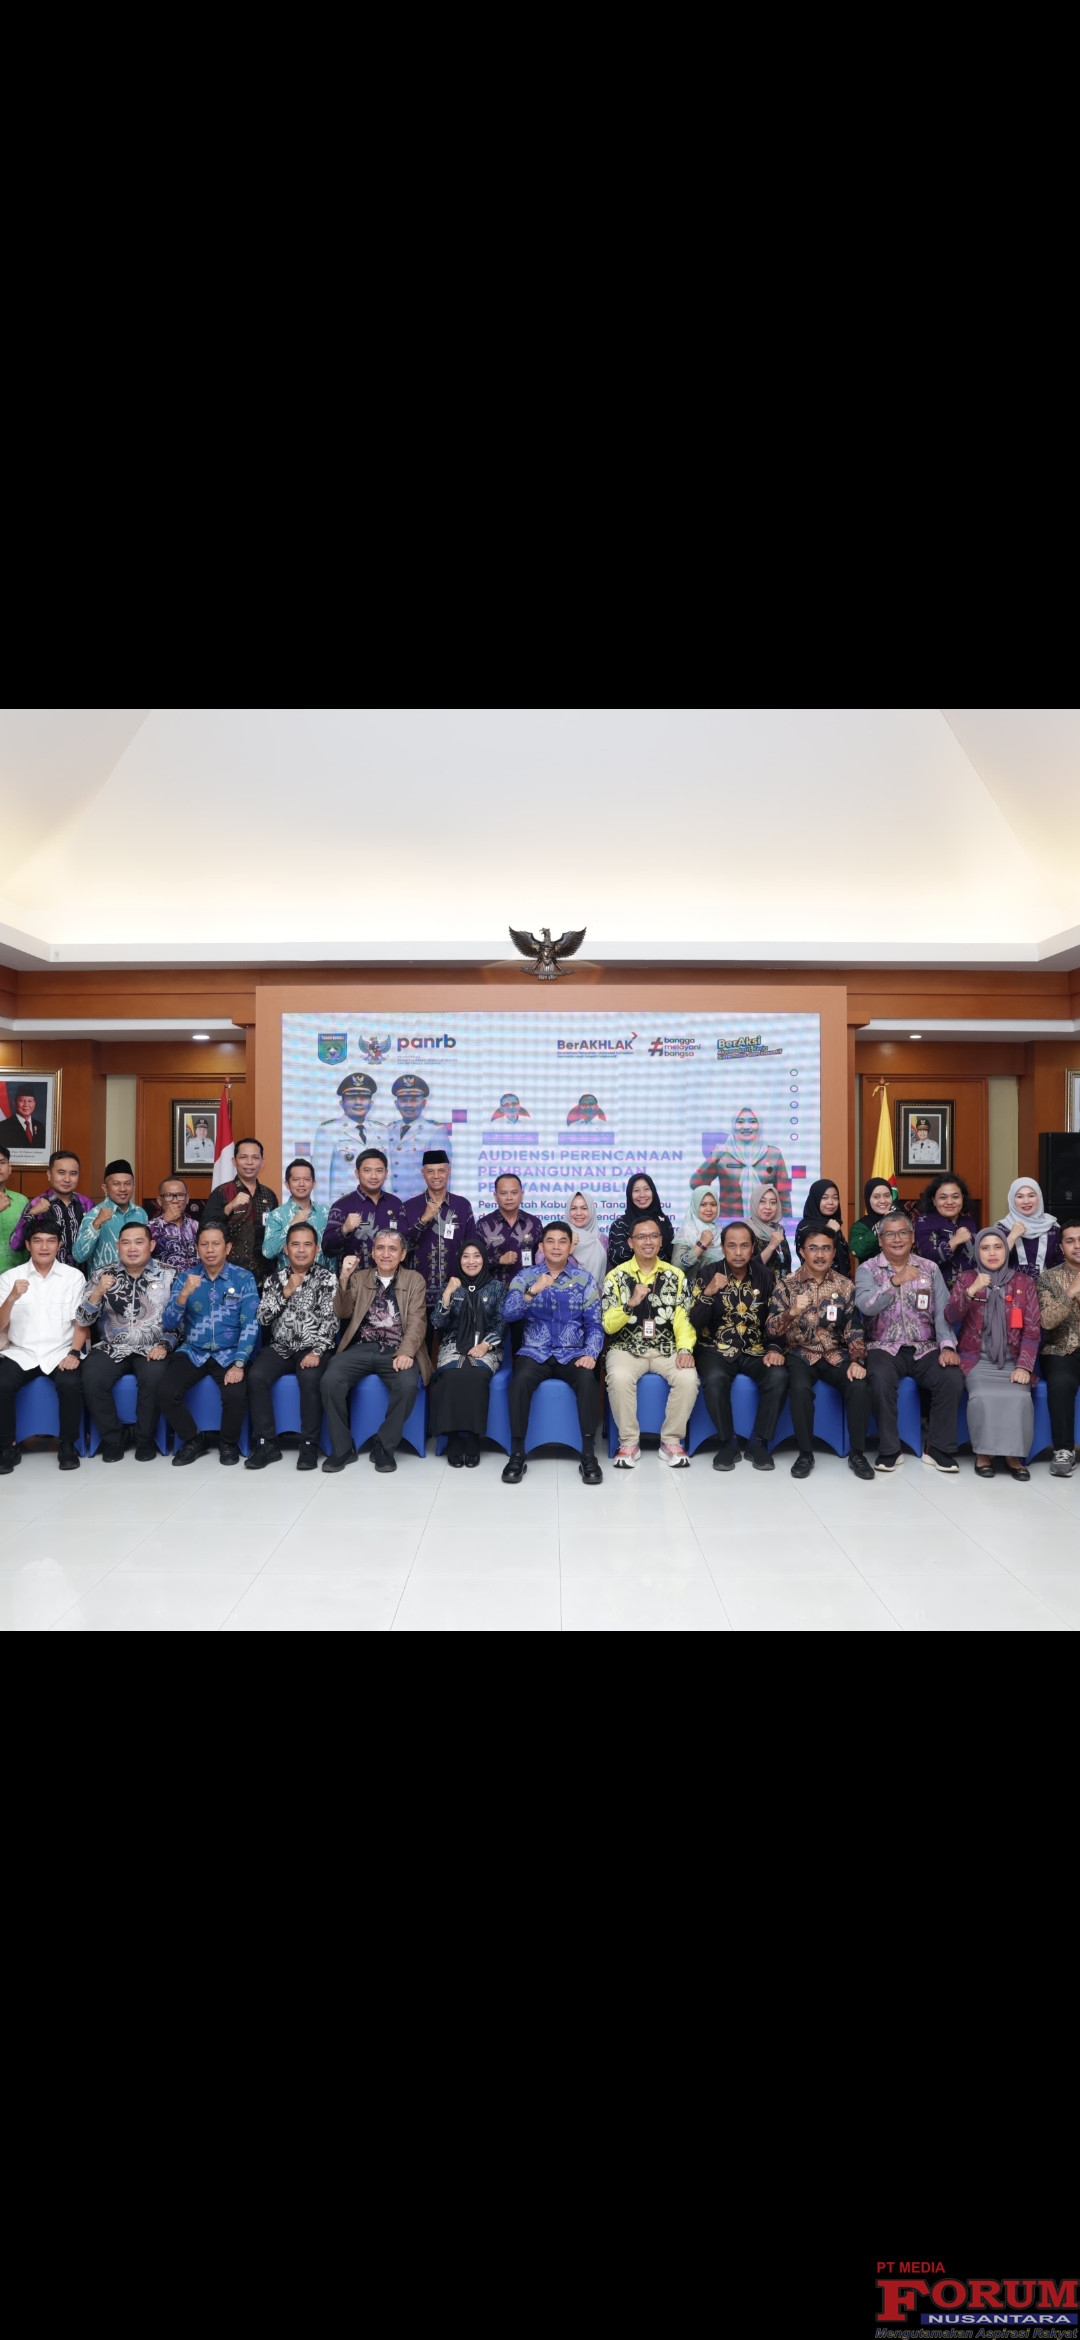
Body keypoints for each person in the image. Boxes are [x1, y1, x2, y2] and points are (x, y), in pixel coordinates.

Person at [854, 1211, 963, 1473]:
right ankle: (890, 1450)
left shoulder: (930, 1268)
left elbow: (942, 1311)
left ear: (912, 1237)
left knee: (951, 1377)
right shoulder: (867, 1269)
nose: (897, 1239)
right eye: (890, 1234)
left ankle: (938, 1448)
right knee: (880, 1379)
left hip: (925, 1346)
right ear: (880, 1240)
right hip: (883, 1346)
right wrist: (893, 1282)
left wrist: (947, 1346)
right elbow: (866, 1306)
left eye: (903, 1232)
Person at [500, 1221, 604, 1484]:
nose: (556, 1247)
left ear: (570, 1247)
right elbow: (508, 1314)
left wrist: (591, 1353)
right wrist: (532, 1292)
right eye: (550, 1241)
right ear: (541, 1246)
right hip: (534, 1351)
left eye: (562, 1241)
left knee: (587, 1381)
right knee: (520, 1382)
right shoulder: (525, 1277)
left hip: (573, 1352)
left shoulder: (584, 1280)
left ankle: (588, 1454)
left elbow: (595, 1324)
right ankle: (517, 1453)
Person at [765, 1230, 873, 1479]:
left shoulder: (845, 1285)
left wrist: (857, 1360)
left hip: (836, 1353)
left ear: (834, 1253)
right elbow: (771, 1330)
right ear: (802, 1252)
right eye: (813, 1248)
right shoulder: (787, 1284)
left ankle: (857, 1454)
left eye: (826, 1248)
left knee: (859, 1385)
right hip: (800, 1353)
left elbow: (854, 1328)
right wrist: (791, 1312)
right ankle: (805, 1454)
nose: (820, 1254)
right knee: (800, 1389)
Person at [321, 1229, 430, 1474]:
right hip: (361, 1347)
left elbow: (417, 1321)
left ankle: (384, 1445)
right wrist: (344, 1279)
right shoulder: (360, 1278)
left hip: (397, 1348)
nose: (386, 1254)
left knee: (407, 1384)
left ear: (402, 1254)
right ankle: (342, 1448)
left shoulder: (414, 1280)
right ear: (372, 1252)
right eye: (380, 1248)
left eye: (392, 1249)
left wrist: (406, 1352)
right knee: (330, 1379)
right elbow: (343, 1312)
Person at [687, 1221, 789, 1472]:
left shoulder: (766, 1276)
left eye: (744, 1246)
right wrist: (708, 1293)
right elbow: (695, 1322)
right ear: (722, 1248)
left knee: (778, 1376)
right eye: (732, 1246)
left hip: (755, 1348)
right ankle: (728, 1442)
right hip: (715, 1348)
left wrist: (775, 1348)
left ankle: (758, 1442)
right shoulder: (708, 1273)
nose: (738, 1252)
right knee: (714, 1378)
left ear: (753, 1248)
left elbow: (777, 1317)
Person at [159, 1222, 259, 1465]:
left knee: (235, 1395)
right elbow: (169, 1323)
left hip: (230, 1353)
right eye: (204, 1244)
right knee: (164, 1392)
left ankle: (228, 1443)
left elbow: (250, 1324)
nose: (210, 1249)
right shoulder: (186, 1278)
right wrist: (183, 1295)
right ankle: (194, 1439)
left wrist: (239, 1363)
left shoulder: (243, 1278)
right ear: (197, 1248)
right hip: (193, 1351)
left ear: (228, 1247)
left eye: (216, 1244)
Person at [602, 1216, 698, 1467]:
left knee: (688, 1378)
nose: (648, 1242)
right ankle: (629, 1443)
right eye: (641, 1237)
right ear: (631, 1242)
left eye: (653, 1236)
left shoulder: (676, 1275)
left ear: (661, 1241)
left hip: (666, 1347)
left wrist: (685, 1349)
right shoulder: (616, 1276)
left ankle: (671, 1442)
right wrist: (630, 1304)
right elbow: (608, 1325)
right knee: (619, 1377)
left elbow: (683, 1319)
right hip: (625, 1347)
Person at [945, 1228, 1040, 1480]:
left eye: (997, 1247)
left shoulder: (1024, 1283)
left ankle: (1013, 1457)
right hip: (977, 1360)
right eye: (985, 1248)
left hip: (1013, 1361)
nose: (992, 1253)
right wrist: (971, 1291)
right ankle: (983, 1454)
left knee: (1020, 1398)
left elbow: (1032, 1331)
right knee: (983, 1396)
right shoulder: (966, 1278)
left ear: (1006, 1249)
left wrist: (1024, 1366)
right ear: (977, 1252)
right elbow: (951, 1316)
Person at [77, 1222, 177, 1460]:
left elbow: (181, 1319)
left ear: (151, 1245)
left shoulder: (169, 1274)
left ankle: (145, 1440)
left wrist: (164, 1345)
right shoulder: (101, 1275)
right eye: (126, 1242)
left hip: (152, 1347)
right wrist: (97, 1292)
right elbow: (82, 1319)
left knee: (154, 1378)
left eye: (139, 1242)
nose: (132, 1248)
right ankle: (114, 1439)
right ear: (118, 1246)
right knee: (91, 1376)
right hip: (111, 1347)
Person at [245, 1220, 340, 1471]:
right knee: (256, 1376)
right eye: (295, 1244)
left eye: (307, 1244)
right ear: (286, 1249)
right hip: (280, 1347)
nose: (301, 1250)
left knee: (310, 1379)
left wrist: (317, 1351)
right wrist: (286, 1292)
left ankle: (309, 1444)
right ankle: (267, 1444)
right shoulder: (275, 1279)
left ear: (316, 1249)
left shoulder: (328, 1279)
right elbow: (263, 1318)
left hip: (312, 1347)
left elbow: (331, 1322)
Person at [0, 1221, 89, 1471]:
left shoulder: (73, 1277)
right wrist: (12, 1298)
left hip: (60, 1351)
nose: (44, 1247)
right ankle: (8, 1446)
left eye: (51, 1241)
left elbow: (81, 1322)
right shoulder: (9, 1278)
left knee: (71, 1384)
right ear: (28, 1245)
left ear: (59, 1245)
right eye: (38, 1241)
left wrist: (74, 1353)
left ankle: (67, 1445)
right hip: (21, 1352)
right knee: (1, 1384)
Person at [429, 1238, 505, 1466]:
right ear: (459, 1260)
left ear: (484, 1259)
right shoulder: (451, 1285)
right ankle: (453, 1438)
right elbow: (437, 1323)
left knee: (476, 1375)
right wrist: (447, 1295)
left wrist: (485, 1345)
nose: (471, 1261)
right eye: (466, 1256)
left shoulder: (496, 1288)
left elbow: (502, 1322)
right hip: (452, 1345)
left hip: (487, 1346)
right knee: (451, 1375)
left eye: (476, 1256)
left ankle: (472, 1438)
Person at [400, 1150, 475, 1318]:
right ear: (423, 1173)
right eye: (430, 1171)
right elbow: (401, 1247)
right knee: (419, 1335)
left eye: (441, 1170)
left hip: (456, 1291)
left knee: (453, 1335)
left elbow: (472, 1246)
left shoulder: (462, 1205)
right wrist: (423, 1220)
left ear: (449, 1171)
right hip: (417, 1294)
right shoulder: (409, 1207)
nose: (436, 1176)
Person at [202, 1137, 279, 1290]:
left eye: (255, 1157)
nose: (249, 1162)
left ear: (262, 1162)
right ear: (234, 1161)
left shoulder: (269, 1195)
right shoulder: (222, 1192)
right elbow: (205, 1229)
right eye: (243, 1157)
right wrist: (229, 1207)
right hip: (229, 1274)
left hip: (265, 1275)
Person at [690, 1107, 792, 1219]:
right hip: (728, 1223)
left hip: (763, 1223)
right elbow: (695, 1184)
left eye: (752, 1122)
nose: (746, 1126)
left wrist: (787, 1225)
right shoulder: (723, 1153)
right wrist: (713, 1158)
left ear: (760, 1125)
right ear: (733, 1125)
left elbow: (784, 1197)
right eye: (740, 1122)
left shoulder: (774, 1154)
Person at [1037, 1217, 1080, 1476]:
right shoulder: (1047, 1279)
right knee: (1062, 1383)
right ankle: (1064, 1450)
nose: (1077, 1246)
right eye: (1070, 1241)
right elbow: (1047, 1321)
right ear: (1061, 1247)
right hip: (1060, 1350)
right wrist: (1071, 1292)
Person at [312, 1073, 392, 1206]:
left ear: (371, 1103)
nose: (358, 1102)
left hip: (376, 1205)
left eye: (364, 1098)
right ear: (342, 1103)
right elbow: (321, 1179)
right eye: (352, 1098)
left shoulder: (381, 1130)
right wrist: (325, 1213)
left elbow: (387, 1177)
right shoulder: (328, 1130)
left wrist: (388, 1206)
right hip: (343, 1206)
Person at [322, 1148, 405, 1270]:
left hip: (391, 1279)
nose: (374, 1176)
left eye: (379, 1171)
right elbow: (327, 1250)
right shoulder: (342, 1206)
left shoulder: (395, 1204)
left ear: (386, 1173)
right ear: (357, 1173)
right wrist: (344, 1229)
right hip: (353, 1279)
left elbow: (405, 1244)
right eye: (367, 1170)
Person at [9, 1151, 93, 1267]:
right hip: (45, 1274)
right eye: (61, 1173)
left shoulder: (86, 1204)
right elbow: (14, 1244)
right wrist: (32, 1214)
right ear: (49, 1174)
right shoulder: (36, 1204)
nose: (67, 1179)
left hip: (81, 1275)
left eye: (73, 1174)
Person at [72, 1160, 148, 1278]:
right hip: (104, 1286)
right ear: (105, 1188)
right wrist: (96, 1224)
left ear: (134, 1186)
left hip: (137, 1283)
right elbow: (79, 1256)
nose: (123, 1189)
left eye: (127, 1184)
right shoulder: (94, 1215)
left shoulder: (141, 1214)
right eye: (116, 1184)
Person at [383, 1073, 453, 1202]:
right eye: (404, 1100)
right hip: (389, 1204)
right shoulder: (387, 1130)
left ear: (424, 1103)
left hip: (421, 1205)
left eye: (414, 1100)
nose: (409, 1105)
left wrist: (438, 1207)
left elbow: (442, 1176)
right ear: (396, 1104)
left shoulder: (435, 1131)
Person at [474, 1174, 544, 1288]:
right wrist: (498, 1260)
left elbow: (542, 1261)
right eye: (503, 1193)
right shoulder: (483, 1225)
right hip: (492, 1293)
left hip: (527, 1292)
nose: (509, 1198)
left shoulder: (534, 1224)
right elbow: (473, 1262)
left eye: (514, 1193)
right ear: (495, 1196)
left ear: (522, 1195)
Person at [914, 1173, 978, 1288]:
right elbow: (928, 1259)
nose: (949, 1202)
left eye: (955, 1197)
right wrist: (956, 1240)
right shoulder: (925, 1221)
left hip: (969, 1289)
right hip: (936, 1290)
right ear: (934, 1200)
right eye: (943, 1197)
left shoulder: (968, 1221)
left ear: (962, 1198)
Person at [261, 1159, 330, 1264]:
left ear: (314, 1184)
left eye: (306, 1179)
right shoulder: (276, 1215)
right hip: (289, 1274)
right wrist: (292, 1225)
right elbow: (268, 1252)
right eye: (296, 1179)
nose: (301, 1184)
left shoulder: (326, 1213)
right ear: (287, 1184)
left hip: (322, 1274)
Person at [606, 1173, 675, 1271]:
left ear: (653, 1191)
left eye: (646, 1189)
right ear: (630, 1194)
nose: (642, 1195)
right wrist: (635, 1241)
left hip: (662, 1277)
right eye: (636, 1190)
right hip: (630, 1278)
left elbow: (672, 1256)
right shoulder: (620, 1224)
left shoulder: (663, 1221)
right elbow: (614, 1259)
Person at [995, 1178, 1063, 1278]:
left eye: (1031, 1195)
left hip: (1049, 1286)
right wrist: (1012, 1237)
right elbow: (993, 1263)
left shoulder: (1053, 1227)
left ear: (1039, 1197)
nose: (1026, 1201)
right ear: (1012, 1199)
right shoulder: (1001, 1228)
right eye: (1020, 1196)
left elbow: (1063, 1263)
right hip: (1011, 1286)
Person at [794, 1180, 852, 1278]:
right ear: (815, 1199)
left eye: (835, 1198)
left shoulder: (834, 1224)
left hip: (842, 1284)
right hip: (815, 1284)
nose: (831, 1202)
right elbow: (811, 1261)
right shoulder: (805, 1227)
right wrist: (829, 1232)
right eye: (825, 1198)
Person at [147, 1178, 200, 1271]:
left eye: (180, 1195)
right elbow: (141, 1249)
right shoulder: (150, 1227)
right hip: (162, 1279)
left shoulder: (196, 1226)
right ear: (159, 1201)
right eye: (168, 1195)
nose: (175, 1200)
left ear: (187, 1199)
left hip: (194, 1278)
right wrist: (165, 1220)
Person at [673, 1184, 724, 1275]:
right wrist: (701, 1244)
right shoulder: (686, 1232)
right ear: (695, 1206)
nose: (709, 1209)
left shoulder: (721, 1233)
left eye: (713, 1204)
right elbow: (676, 1266)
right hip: (694, 1283)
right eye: (703, 1204)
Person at [849, 1178, 900, 1265]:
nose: (883, 1201)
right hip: (871, 1272)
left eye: (887, 1196)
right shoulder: (860, 1226)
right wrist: (882, 1223)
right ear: (868, 1199)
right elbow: (858, 1251)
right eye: (876, 1197)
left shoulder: (900, 1221)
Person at [746, 1182, 791, 1278]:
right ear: (755, 1203)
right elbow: (746, 1269)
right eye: (762, 1201)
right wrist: (771, 1247)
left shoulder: (779, 1230)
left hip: (782, 1286)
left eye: (773, 1202)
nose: (768, 1207)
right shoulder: (745, 1230)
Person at [565, 1190, 607, 1288]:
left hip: (596, 1295)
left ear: (591, 1211)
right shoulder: (557, 1236)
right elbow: (541, 1261)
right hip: (563, 1294)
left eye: (584, 1208)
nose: (578, 1213)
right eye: (573, 1208)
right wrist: (566, 1243)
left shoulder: (603, 1240)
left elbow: (610, 1274)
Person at [0, 1148, 28, 1275]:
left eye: (2, 1162)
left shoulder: (21, 1200)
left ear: (9, 1169)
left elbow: (27, 1240)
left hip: (16, 1275)